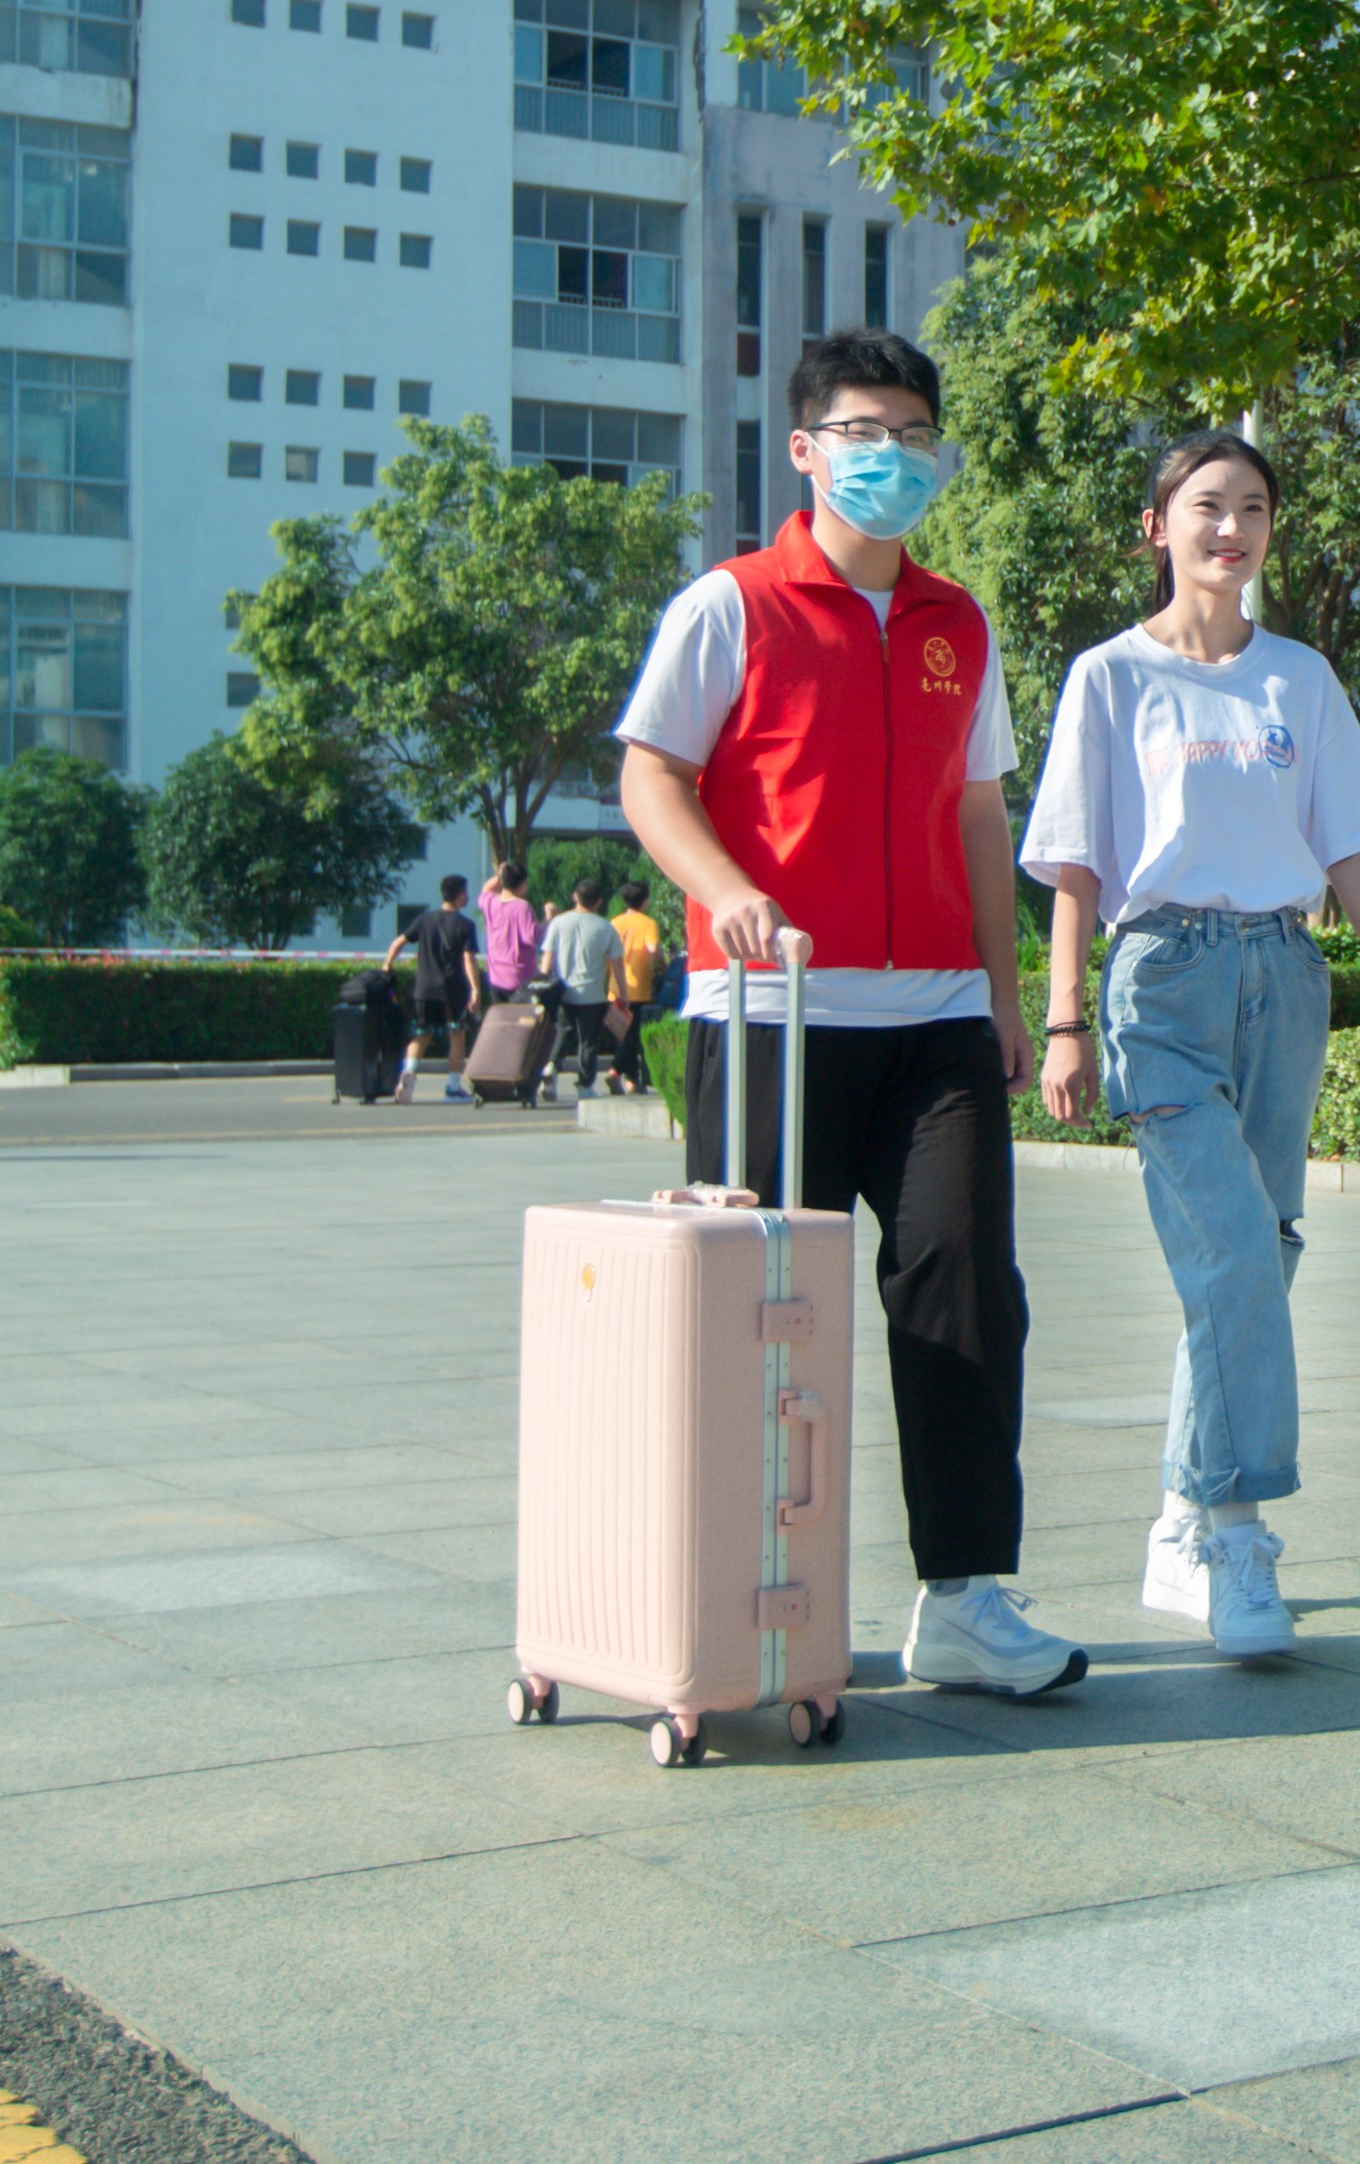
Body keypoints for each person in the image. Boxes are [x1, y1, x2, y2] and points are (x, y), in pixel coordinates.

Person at [617, 328, 1082, 1701]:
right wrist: (726, 885)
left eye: (913, 433)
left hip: (934, 1011)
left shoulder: (959, 621)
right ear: (805, 446)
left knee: (963, 1285)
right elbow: (653, 776)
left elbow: (980, 812)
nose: (892, 455)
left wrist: (1007, 999)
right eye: (863, 430)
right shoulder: (732, 604)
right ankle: (750, 1602)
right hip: (769, 1010)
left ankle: (965, 1595)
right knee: (767, 1312)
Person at [1021, 432, 1360, 1659]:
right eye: (1207, 506)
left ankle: (1179, 1505)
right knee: (1240, 1246)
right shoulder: (1107, 676)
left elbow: (1349, 837)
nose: (1231, 527)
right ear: (1158, 527)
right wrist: (1061, 1018)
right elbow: (1077, 864)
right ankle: (1236, 1530)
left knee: (1265, 1253)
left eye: (1253, 508)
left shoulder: (1298, 678)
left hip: (1285, 974)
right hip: (1163, 981)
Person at [395, 882, 478, 1104]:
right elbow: (468, 959)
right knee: (457, 1035)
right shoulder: (466, 925)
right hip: (453, 991)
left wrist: (386, 966)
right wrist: (476, 988)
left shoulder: (424, 920)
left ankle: (408, 1074)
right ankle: (452, 1088)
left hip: (424, 989)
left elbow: (399, 942)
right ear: (461, 896)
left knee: (422, 1034)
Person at [543, 886, 625, 1090]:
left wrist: (544, 983)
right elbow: (618, 964)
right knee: (588, 1041)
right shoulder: (605, 927)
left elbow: (547, 960)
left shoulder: (558, 922)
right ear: (598, 901)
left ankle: (552, 1066)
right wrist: (623, 992)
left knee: (563, 1032)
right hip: (593, 994)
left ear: (574, 897)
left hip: (564, 992)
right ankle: (584, 1086)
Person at [474, 865, 542, 1094]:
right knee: (521, 1034)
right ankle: (518, 1078)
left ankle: (496, 1076)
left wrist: (498, 873)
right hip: (520, 978)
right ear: (523, 884)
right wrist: (550, 919)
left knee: (500, 1029)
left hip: (495, 977)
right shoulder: (522, 907)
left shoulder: (490, 903)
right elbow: (533, 937)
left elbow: (485, 889)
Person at [609, 893, 665, 1094]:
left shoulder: (615, 923)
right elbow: (653, 949)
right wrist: (663, 965)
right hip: (639, 986)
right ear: (644, 901)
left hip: (615, 987)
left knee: (624, 1034)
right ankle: (615, 1070)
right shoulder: (648, 923)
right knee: (633, 1034)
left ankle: (633, 1080)